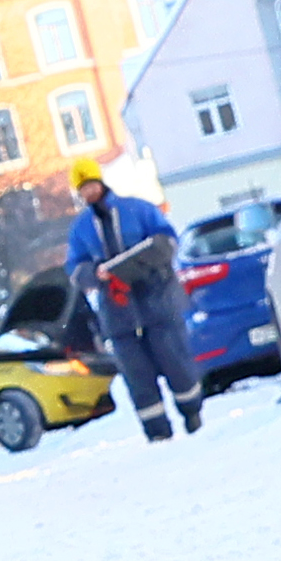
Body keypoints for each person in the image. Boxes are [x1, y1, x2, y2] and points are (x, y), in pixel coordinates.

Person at [66, 168, 201, 440]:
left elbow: (166, 239)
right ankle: (157, 432)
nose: (88, 191)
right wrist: (96, 272)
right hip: (118, 314)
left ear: (100, 182)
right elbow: (75, 267)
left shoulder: (137, 209)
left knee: (176, 362)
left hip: (158, 303)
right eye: (82, 188)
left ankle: (192, 415)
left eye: (90, 184)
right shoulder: (81, 227)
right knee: (137, 377)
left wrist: (147, 260)